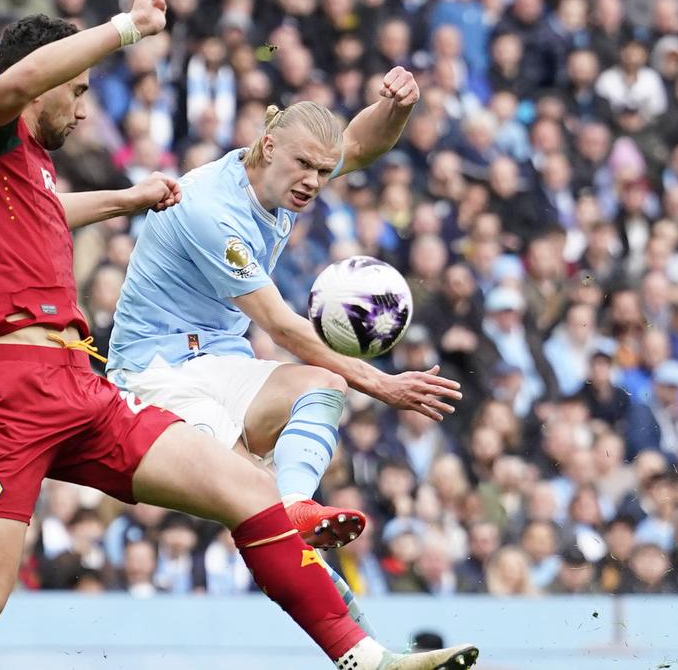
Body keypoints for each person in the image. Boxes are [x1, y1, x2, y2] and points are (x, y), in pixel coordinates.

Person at [0, 0, 477, 670]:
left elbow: (47, 212)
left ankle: (361, 657)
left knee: (245, 489)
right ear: (36, 83)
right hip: (3, 393)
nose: (80, 110)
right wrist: (127, 29)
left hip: (79, 383)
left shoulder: (28, 169)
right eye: (74, 92)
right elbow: (17, 86)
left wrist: (125, 199)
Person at [106, 75, 461, 631]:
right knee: (253, 493)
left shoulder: (284, 174)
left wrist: (395, 108)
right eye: (306, 167)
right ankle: (358, 641)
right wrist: (384, 384)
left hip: (221, 357)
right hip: (157, 372)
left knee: (325, 388)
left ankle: (300, 510)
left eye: (324, 171)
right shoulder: (210, 209)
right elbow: (281, 325)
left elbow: (363, 145)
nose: (314, 181)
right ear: (268, 145)